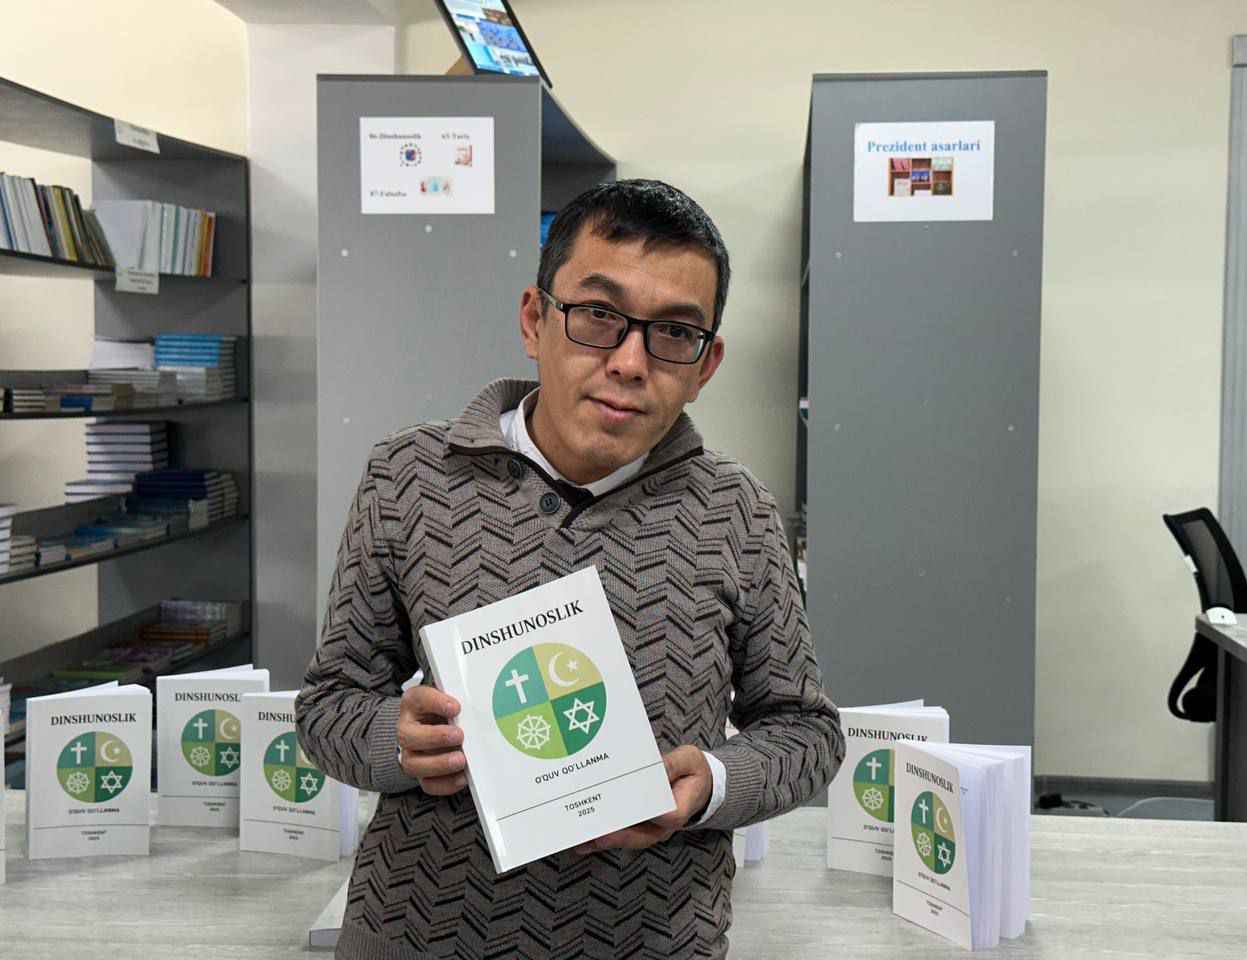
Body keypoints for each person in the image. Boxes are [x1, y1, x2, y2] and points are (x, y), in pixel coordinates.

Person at [296, 179, 844, 959]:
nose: (629, 362)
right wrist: (396, 739)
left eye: (674, 333)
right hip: (420, 932)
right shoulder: (408, 476)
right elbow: (328, 706)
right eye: (597, 316)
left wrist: (713, 784)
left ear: (707, 363)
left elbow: (806, 732)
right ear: (535, 319)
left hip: (651, 937)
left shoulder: (737, 511)